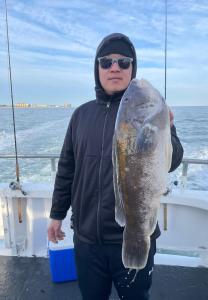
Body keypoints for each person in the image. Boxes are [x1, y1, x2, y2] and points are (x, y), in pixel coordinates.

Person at [48, 33, 183, 300]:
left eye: (123, 62)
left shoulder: (151, 114)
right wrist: (56, 214)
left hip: (137, 233)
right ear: (96, 68)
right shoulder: (81, 115)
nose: (114, 67)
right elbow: (67, 168)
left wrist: (167, 129)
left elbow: (172, 160)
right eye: (106, 61)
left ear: (132, 69)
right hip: (87, 239)